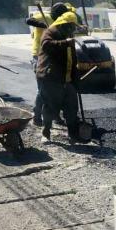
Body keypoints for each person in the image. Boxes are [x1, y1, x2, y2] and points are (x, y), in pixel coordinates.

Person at [36, 8, 82, 144]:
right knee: (50, 107)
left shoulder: (68, 36)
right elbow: (46, 45)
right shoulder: (50, 32)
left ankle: (73, 135)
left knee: (71, 108)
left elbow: (72, 58)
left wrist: (76, 77)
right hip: (51, 78)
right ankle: (46, 132)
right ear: (64, 25)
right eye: (71, 27)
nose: (73, 30)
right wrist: (65, 42)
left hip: (67, 79)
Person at [28, 10, 53, 125]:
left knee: (51, 89)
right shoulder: (45, 17)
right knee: (42, 89)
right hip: (39, 56)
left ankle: (52, 115)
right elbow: (29, 20)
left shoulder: (58, 21)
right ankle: (37, 116)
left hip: (48, 55)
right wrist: (42, 25)